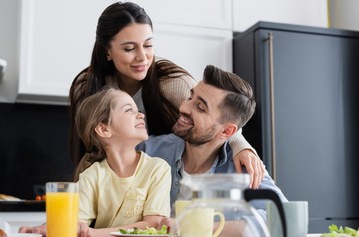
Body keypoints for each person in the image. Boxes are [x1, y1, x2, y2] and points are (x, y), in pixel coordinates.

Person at [68, 1, 265, 188]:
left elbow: (219, 116)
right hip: (111, 184)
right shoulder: (86, 87)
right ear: (107, 52)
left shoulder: (172, 84)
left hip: (162, 182)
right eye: (129, 48)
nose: (142, 57)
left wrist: (242, 146)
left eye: (148, 45)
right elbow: (90, 150)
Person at [137, 65, 288, 222]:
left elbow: (285, 217)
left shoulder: (244, 172)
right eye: (190, 97)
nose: (184, 107)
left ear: (226, 131)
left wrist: (209, 230)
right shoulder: (148, 151)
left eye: (200, 108)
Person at [20, 87, 171, 237]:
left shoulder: (157, 168)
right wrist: (43, 230)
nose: (141, 114)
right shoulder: (91, 176)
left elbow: (153, 225)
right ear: (104, 129)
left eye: (137, 109)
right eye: (129, 110)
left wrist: (95, 234)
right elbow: (73, 222)